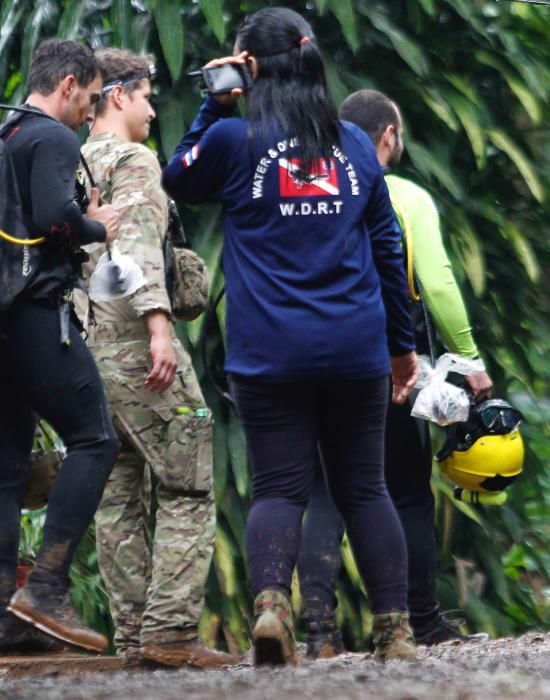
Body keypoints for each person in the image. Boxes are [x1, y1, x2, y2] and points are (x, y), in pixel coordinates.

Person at [163, 7, 419, 664]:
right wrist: (401, 347)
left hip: (269, 351)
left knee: (279, 487)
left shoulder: (232, 141)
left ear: (245, 66)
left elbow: (176, 175)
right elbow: (387, 249)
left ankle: (273, 609)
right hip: (355, 347)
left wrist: (215, 103)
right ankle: (395, 631)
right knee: (364, 487)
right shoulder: (355, 145)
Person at [296, 90, 493, 658]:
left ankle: (319, 632)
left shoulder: (308, 188)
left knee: (323, 491)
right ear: (387, 135)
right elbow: (435, 281)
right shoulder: (402, 194)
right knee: (405, 491)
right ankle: (419, 621)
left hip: (308, 352)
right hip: (385, 353)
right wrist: (470, 359)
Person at [79, 48, 237, 670]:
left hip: (83, 357)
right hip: (137, 349)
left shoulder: (70, 160)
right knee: (188, 482)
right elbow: (141, 248)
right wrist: (160, 330)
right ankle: (169, 631)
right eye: (145, 96)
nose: (152, 109)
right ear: (117, 95)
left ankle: (132, 638)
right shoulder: (134, 160)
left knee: (115, 498)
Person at [0, 38, 121, 654]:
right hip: (33, 317)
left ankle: (2, 619)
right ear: (66, 86)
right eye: (88, 97)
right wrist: (97, 227)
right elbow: (56, 217)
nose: (89, 111)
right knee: (95, 439)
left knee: (3, 471)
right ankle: (48, 588)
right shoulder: (54, 138)